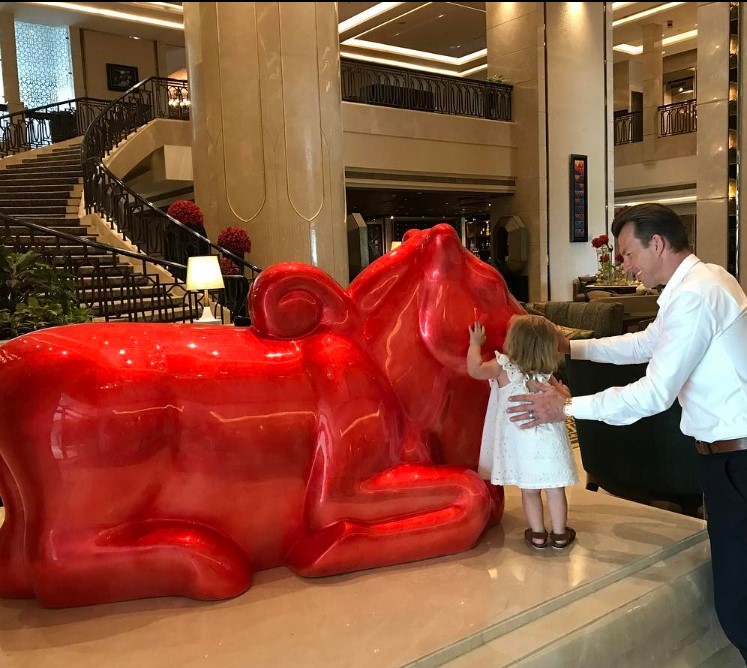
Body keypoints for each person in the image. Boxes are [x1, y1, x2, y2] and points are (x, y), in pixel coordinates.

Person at [506, 203, 747, 662]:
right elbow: (644, 343)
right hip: (725, 456)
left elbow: (654, 393)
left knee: (738, 603)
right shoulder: (699, 284)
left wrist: (569, 406)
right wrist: (571, 346)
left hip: (737, 459)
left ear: (657, 244)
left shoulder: (697, 294)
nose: (625, 265)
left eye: (627, 252)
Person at [467, 314, 578, 550]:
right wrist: (565, 391)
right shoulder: (546, 374)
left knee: (530, 491)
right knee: (556, 489)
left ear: (514, 342)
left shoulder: (503, 367)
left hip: (522, 445)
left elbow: (475, 370)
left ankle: (537, 534)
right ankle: (560, 535)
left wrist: (475, 343)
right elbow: (565, 399)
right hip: (550, 442)